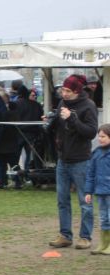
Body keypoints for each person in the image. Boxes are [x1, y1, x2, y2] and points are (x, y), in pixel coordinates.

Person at [47, 74, 98, 250]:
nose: (64, 94)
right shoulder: (63, 104)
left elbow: (91, 132)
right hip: (63, 159)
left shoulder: (88, 106)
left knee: (85, 201)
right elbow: (61, 128)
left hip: (81, 160)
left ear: (77, 91)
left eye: (68, 91)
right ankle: (65, 235)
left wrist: (72, 118)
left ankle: (85, 237)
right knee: (62, 199)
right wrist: (51, 121)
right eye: (63, 90)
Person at [85, 124, 110, 254]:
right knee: (103, 218)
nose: (100, 139)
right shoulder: (96, 153)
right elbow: (90, 174)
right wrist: (88, 191)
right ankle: (103, 244)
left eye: (103, 136)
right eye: (99, 136)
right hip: (100, 192)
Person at [0, 90, 22, 189]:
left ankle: (3, 182)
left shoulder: (0, 111)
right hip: (11, 141)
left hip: (4, 140)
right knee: (12, 163)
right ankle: (16, 182)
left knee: (4, 163)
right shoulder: (13, 111)